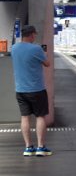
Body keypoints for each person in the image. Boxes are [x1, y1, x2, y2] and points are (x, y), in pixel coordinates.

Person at [11, 24, 52, 157]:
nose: (35, 36)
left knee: (25, 118)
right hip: (36, 89)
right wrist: (44, 54)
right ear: (31, 34)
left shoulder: (14, 48)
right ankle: (41, 147)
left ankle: (28, 148)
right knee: (40, 116)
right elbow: (47, 64)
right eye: (34, 34)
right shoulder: (36, 49)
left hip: (20, 89)